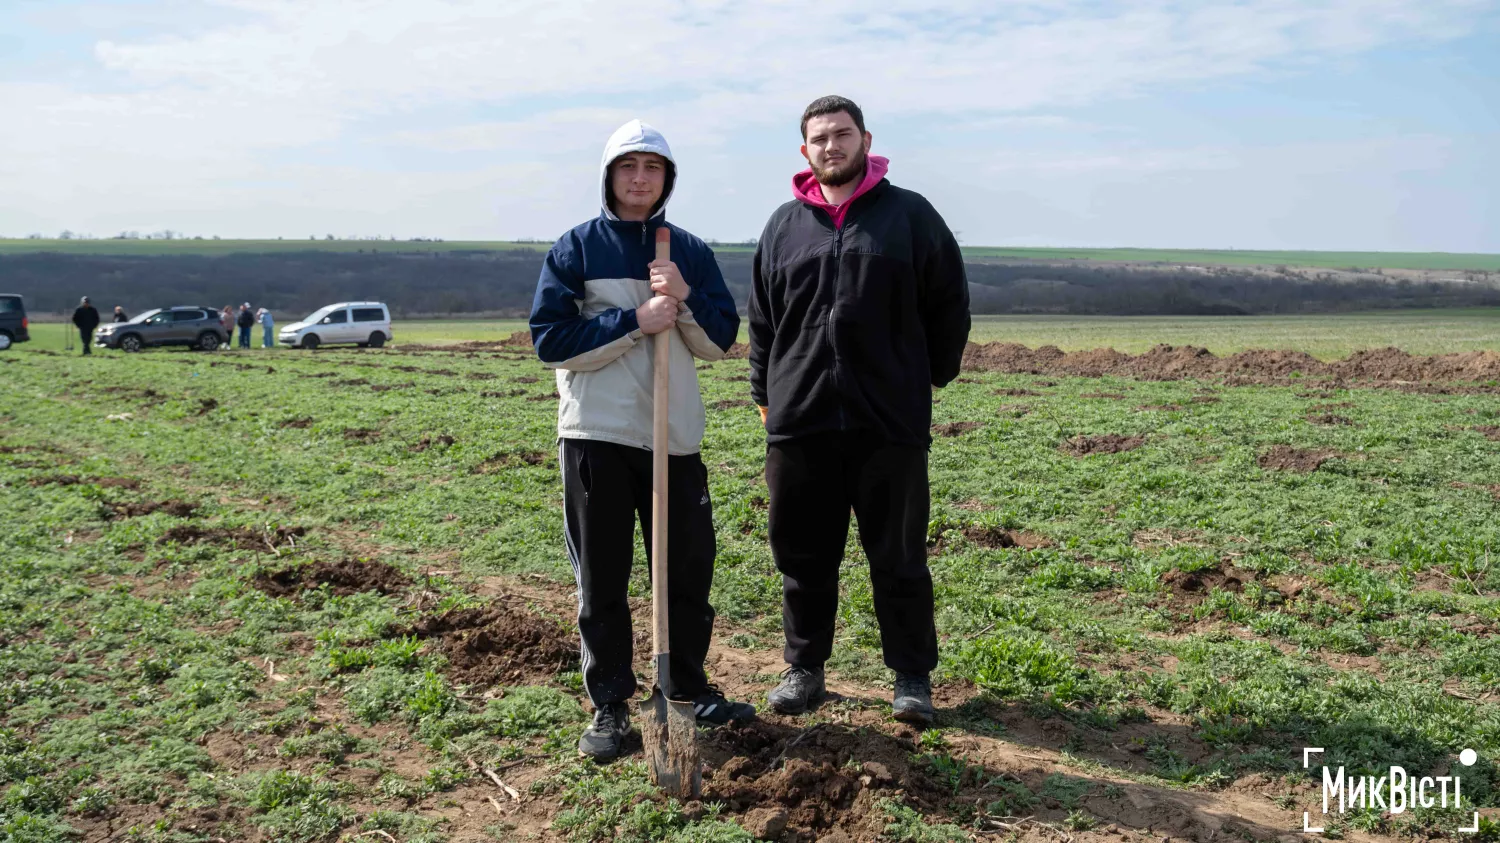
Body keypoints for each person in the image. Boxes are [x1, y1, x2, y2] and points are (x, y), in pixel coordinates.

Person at [529, 119, 754, 761]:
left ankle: (685, 689)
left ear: (667, 179)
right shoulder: (575, 248)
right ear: (609, 175)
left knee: (686, 572)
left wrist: (681, 299)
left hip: (673, 441)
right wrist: (634, 320)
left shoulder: (689, 250)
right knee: (601, 578)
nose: (639, 179)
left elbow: (720, 343)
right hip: (597, 436)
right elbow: (551, 342)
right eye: (628, 167)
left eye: (652, 168)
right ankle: (610, 706)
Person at [749, 96, 971, 725]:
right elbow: (762, 320)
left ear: (865, 139)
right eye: (819, 138)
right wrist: (766, 396)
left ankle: (910, 678)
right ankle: (804, 669)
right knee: (802, 554)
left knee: (898, 556)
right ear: (805, 151)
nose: (831, 146)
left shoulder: (910, 217)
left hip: (888, 423)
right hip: (800, 420)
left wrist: (924, 378)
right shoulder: (782, 228)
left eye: (842, 135)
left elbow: (949, 302)